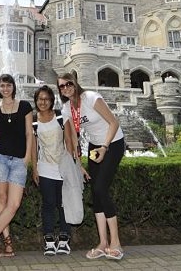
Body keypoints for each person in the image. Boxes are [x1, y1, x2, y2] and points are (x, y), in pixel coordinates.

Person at [57, 73, 125, 261]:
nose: (66, 88)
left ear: (75, 83)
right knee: (95, 193)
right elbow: (71, 138)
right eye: (61, 86)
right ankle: (103, 243)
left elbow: (114, 122)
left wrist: (105, 147)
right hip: (95, 147)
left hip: (113, 142)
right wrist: (78, 164)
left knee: (101, 188)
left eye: (68, 84)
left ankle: (116, 243)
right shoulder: (66, 108)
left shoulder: (91, 98)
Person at [0, 73, 33, 257]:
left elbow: (29, 133)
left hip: (19, 160)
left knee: (14, 204)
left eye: (8, 85)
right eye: (2, 86)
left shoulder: (25, 106)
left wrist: (27, 156)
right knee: (2, 201)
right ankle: (6, 243)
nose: (5, 89)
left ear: (13, 87)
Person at [31, 84, 79, 256]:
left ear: (51, 100)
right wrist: (34, 169)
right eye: (39, 99)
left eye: (46, 99)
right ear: (36, 101)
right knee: (49, 204)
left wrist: (72, 165)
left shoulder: (60, 115)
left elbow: (68, 141)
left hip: (63, 167)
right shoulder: (34, 120)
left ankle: (64, 239)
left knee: (64, 203)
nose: (43, 102)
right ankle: (49, 239)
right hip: (45, 168)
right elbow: (33, 146)